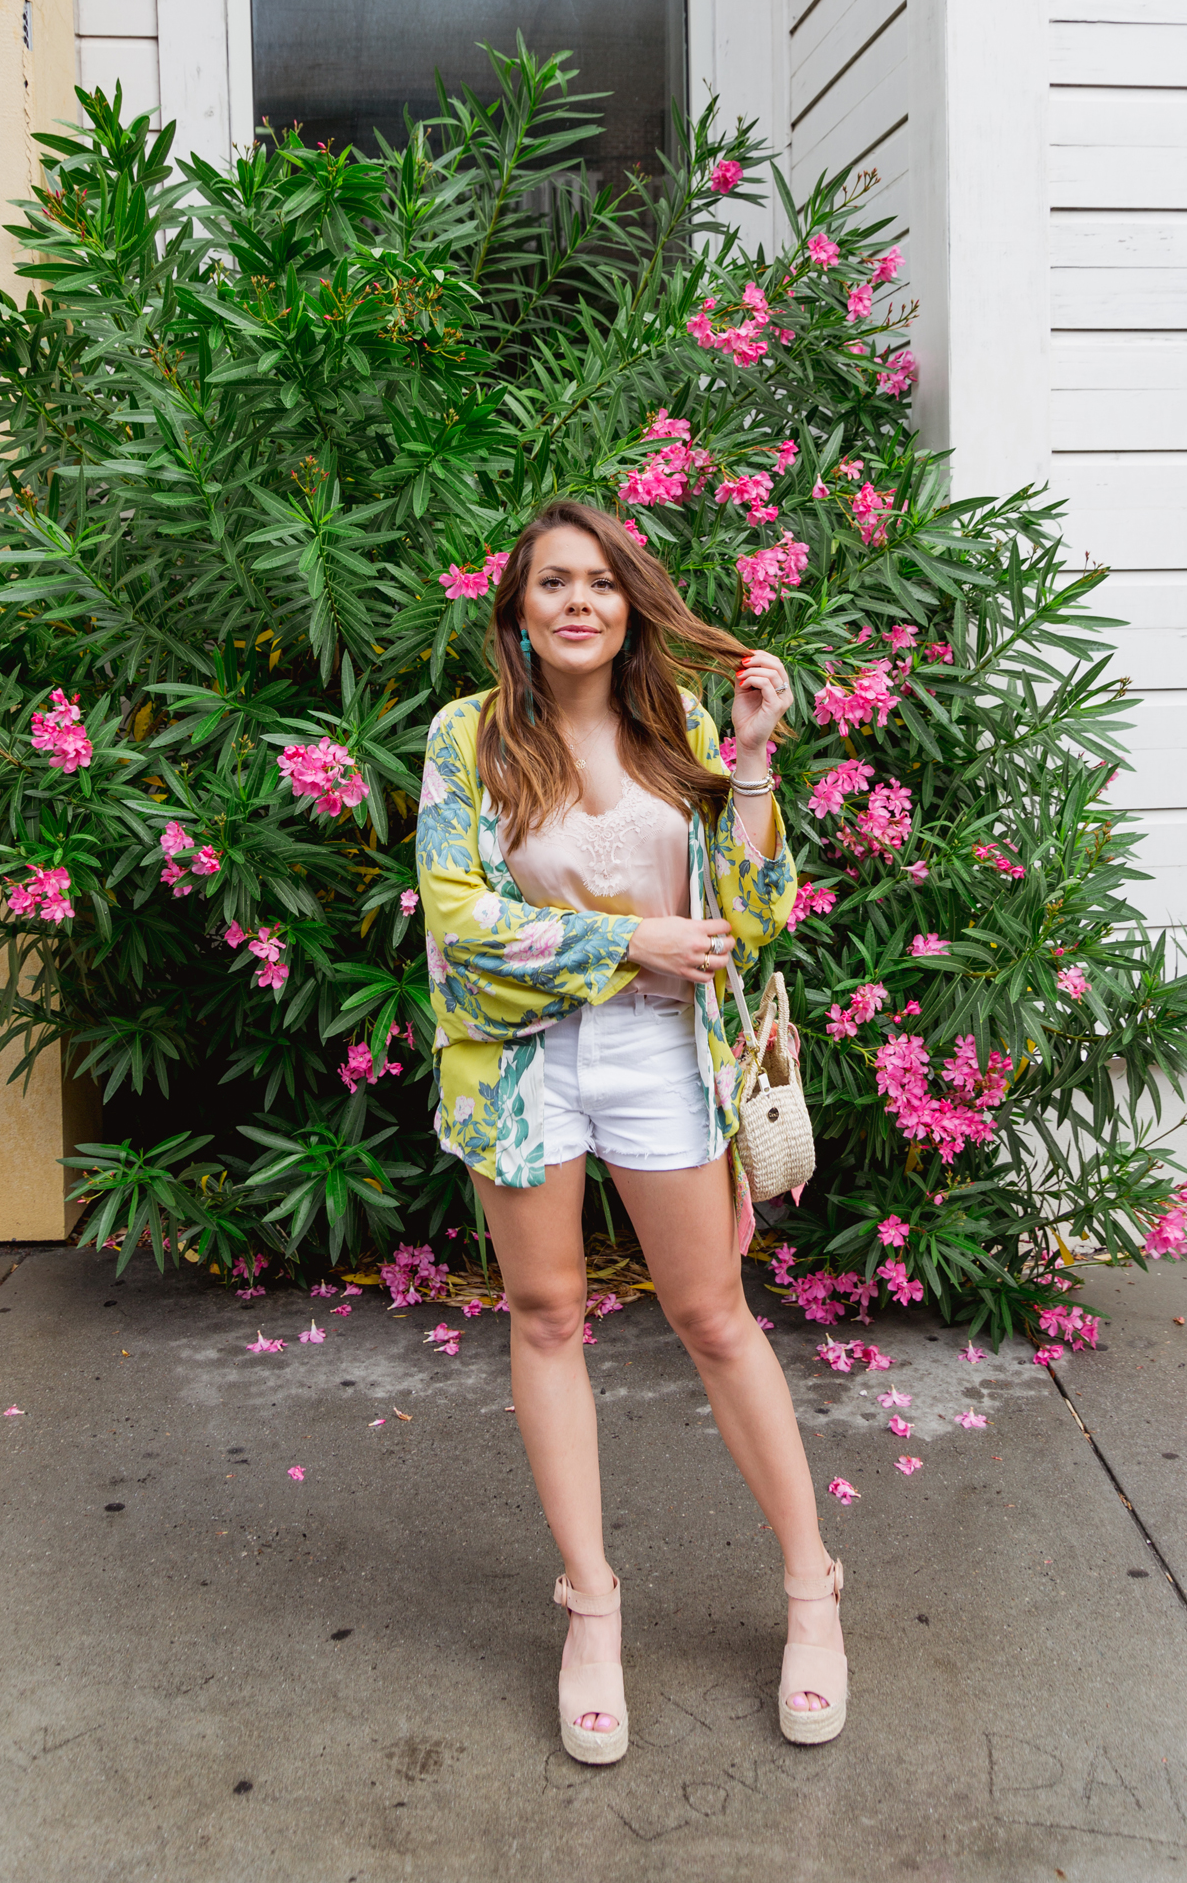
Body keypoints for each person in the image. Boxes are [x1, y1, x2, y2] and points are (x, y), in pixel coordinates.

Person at [416, 500, 846, 1764]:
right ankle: (590, 1610)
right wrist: (632, 938)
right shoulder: (471, 738)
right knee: (545, 1315)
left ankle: (813, 1591)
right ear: (518, 606)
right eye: (553, 582)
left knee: (713, 1317)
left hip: (663, 1051)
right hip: (519, 1063)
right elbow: (460, 922)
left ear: (628, 604)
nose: (577, 603)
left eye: (601, 583)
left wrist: (755, 758)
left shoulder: (682, 733)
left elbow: (754, 916)